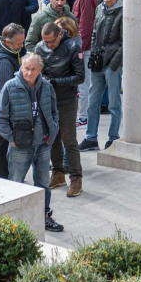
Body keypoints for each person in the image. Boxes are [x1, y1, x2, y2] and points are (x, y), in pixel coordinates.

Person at [0, 53, 64, 232]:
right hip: (20, 147)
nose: (29, 72)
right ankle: (11, 219)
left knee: (43, 183)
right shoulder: (10, 87)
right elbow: (0, 118)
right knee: (15, 181)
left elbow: (54, 112)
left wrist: (53, 132)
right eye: (26, 68)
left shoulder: (47, 87)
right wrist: (12, 139)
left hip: (43, 144)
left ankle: (44, 215)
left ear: (40, 70)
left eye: (33, 69)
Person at [37, 22, 86, 198]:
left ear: (59, 35)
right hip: (47, 99)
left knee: (68, 139)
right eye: (45, 42)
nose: (48, 45)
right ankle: (57, 173)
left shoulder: (72, 47)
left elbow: (80, 77)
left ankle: (76, 177)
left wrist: (56, 82)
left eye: (51, 42)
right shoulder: (40, 47)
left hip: (66, 100)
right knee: (52, 137)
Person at [78, 0, 124, 151]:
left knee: (114, 104)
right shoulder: (99, 8)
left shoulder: (123, 10)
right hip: (98, 62)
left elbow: (124, 42)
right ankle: (91, 138)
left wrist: (114, 64)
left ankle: (113, 138)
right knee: (92, 102)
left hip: (112, 64)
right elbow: (95, 33)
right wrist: (94, 56)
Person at [0, 23, 26, 178]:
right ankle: (3, 177)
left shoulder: (6, 50)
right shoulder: (3, 62)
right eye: (19, 44)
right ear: (8, 42)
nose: (22, 47)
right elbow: (4, 93)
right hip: (2, 110)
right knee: (3, 144)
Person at [71, 0, 99, 127]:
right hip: (83, 46)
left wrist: (80, 49)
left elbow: (85, 26)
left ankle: (83, 117)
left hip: (84, 48)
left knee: (83, 84)